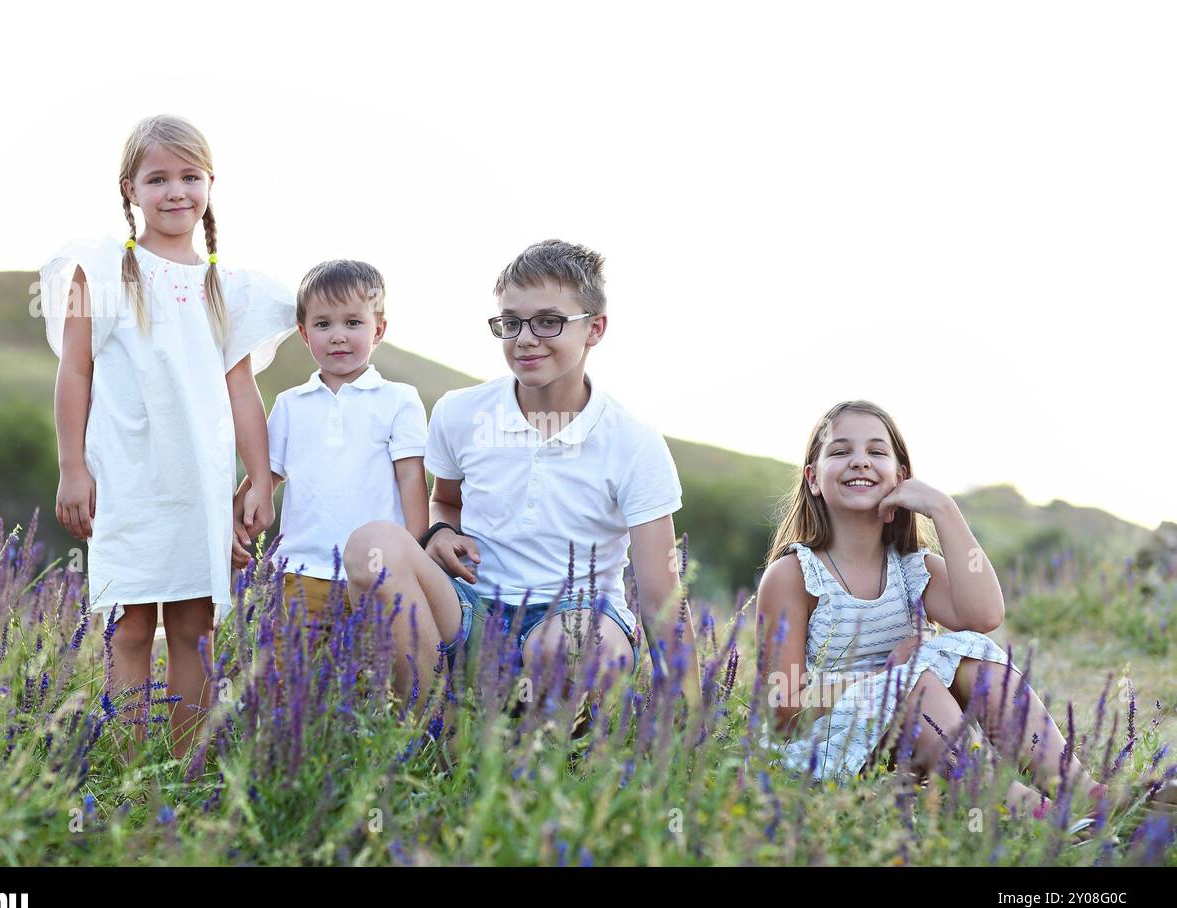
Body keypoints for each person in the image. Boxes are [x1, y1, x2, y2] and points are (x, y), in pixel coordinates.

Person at [756, 399, 1175, 820]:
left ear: (901, 478)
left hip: (910, 745)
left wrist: (943, 508)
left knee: (968, 653)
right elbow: (784, 706)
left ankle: (1085, 793)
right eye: (841, 451)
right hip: (823, 753)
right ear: (813, 478)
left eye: (877, 452)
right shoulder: (794, 575)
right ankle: (1032, 812)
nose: (860, 462)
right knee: (914, 681)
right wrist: (883, 682)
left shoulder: (910, 568)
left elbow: (985, 615)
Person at [342, 239, 702, 720]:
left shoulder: (634, 442)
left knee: (569, 648)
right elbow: (444, 502)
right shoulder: (460, 412)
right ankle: (433, 734)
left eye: (548, 321)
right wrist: (443, 531)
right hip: (472, 608)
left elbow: (661, 597)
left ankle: (531, 741)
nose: (525, 339)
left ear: (595, 328)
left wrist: (689, 725)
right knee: (373, 545)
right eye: (510, 322)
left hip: (575, 617)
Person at [43, 115, 296, 758]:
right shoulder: (101, 270)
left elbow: (241, 391)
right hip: (126, 475)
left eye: (190, 176)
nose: (175, 190)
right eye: (158, 178)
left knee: (194, 629)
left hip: (198, 483)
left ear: (211, 184)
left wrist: (261, 477)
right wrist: (72, 467)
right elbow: (76, 370)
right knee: (128, 629)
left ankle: (185, 772)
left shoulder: (226, 287)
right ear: (130, 188)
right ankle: (129, 771)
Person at [230, 260, 429, 631]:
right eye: (324, 324)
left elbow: (410, 480)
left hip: (376, 573)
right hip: (299, 573)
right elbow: (265, 477)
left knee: (371, 678)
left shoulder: (399, 400)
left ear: (379, 330)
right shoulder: (291, 404)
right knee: (296, 679)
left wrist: (416, 557)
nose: (338, 335)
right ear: (305, 335)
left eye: (353, 323)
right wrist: (234, 522)